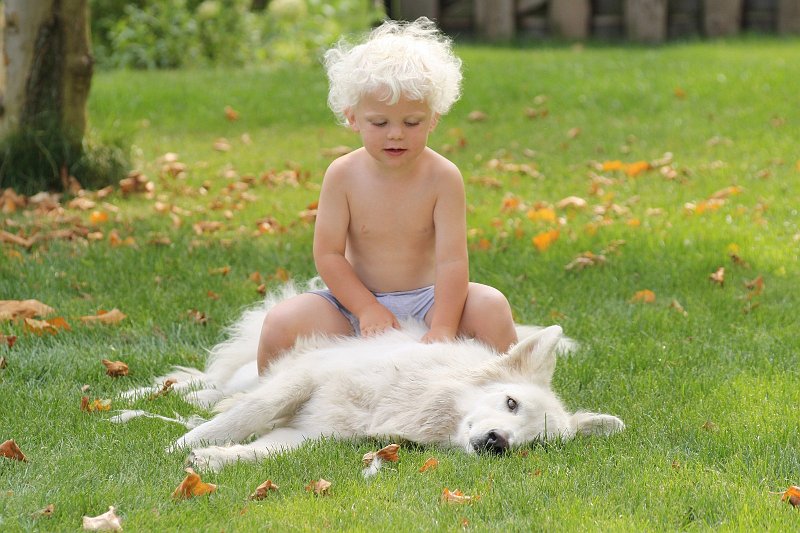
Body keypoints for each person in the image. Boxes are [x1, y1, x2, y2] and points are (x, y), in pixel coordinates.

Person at [256, 17, 517, 374]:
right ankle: (265, 401)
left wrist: (442, 325)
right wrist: (365, 308)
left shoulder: (443, 178)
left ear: (433, 119)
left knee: (492, 306)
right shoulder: (343, 175)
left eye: (412, 123)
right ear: (353, 118)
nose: (396, 135)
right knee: (279, 323)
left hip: (428, 299)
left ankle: (515, 389)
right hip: (352, 302)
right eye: (380, 123)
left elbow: (452, 262)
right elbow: (329, 254)